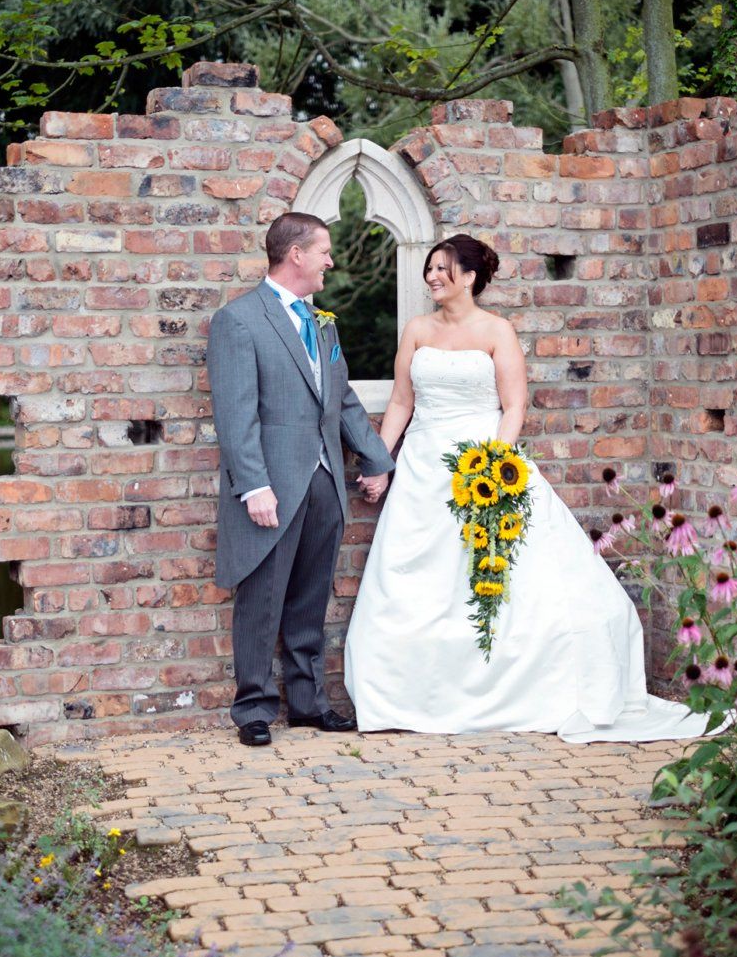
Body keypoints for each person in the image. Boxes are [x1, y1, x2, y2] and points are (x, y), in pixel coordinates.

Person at [345, 233, 709, 742]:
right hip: (424, 468)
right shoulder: (417, 330)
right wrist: (380, 463)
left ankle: (518, 686)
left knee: (503, 575)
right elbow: (402, 403)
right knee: (416, 581)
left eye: (442, 269)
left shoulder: (497, 331)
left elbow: (514, 406)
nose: (432, 277)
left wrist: (493, 465)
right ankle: (411, 695)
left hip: (484, 465)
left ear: (469, 277)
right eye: (429, 268)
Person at [207, 212, 395, 746]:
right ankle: (254, 709)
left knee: (311, 599)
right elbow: (235, 415)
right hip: (271, 485)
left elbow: (344, 399)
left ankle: (309, 704)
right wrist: (253, 485)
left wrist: (376, 458)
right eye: (324, 252)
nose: (330, 262)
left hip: (324, 479)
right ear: (296, 255)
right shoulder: (239, 320)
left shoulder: (323, 322)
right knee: (262, 598)